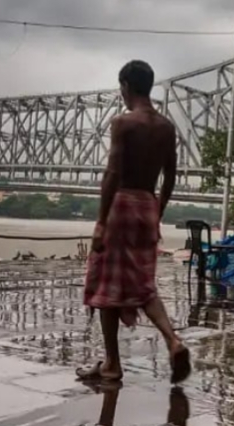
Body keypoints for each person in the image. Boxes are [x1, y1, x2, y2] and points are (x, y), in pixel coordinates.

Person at [77, 60, 191, 384]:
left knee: (105, 286)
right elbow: (170, 174)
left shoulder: (123, 123)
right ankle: (173, 340)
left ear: (125, 86)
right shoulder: (166, 127)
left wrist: (101, 222)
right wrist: (159, 210)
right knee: (144, 286)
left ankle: (112, 363)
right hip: (147, 205)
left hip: (122, 205)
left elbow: (112, 173)